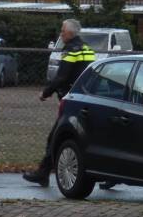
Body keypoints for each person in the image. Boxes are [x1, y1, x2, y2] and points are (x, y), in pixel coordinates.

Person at [23, 19, 96, 187]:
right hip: (85, 98)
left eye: (63, 31)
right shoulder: (87, 49)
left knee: (54, 137)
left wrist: (45, 93)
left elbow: (62, 76)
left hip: (72, 100)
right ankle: (44, 172)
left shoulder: (71, 50)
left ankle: (43, 173)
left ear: (70, 33)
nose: (61, 33)